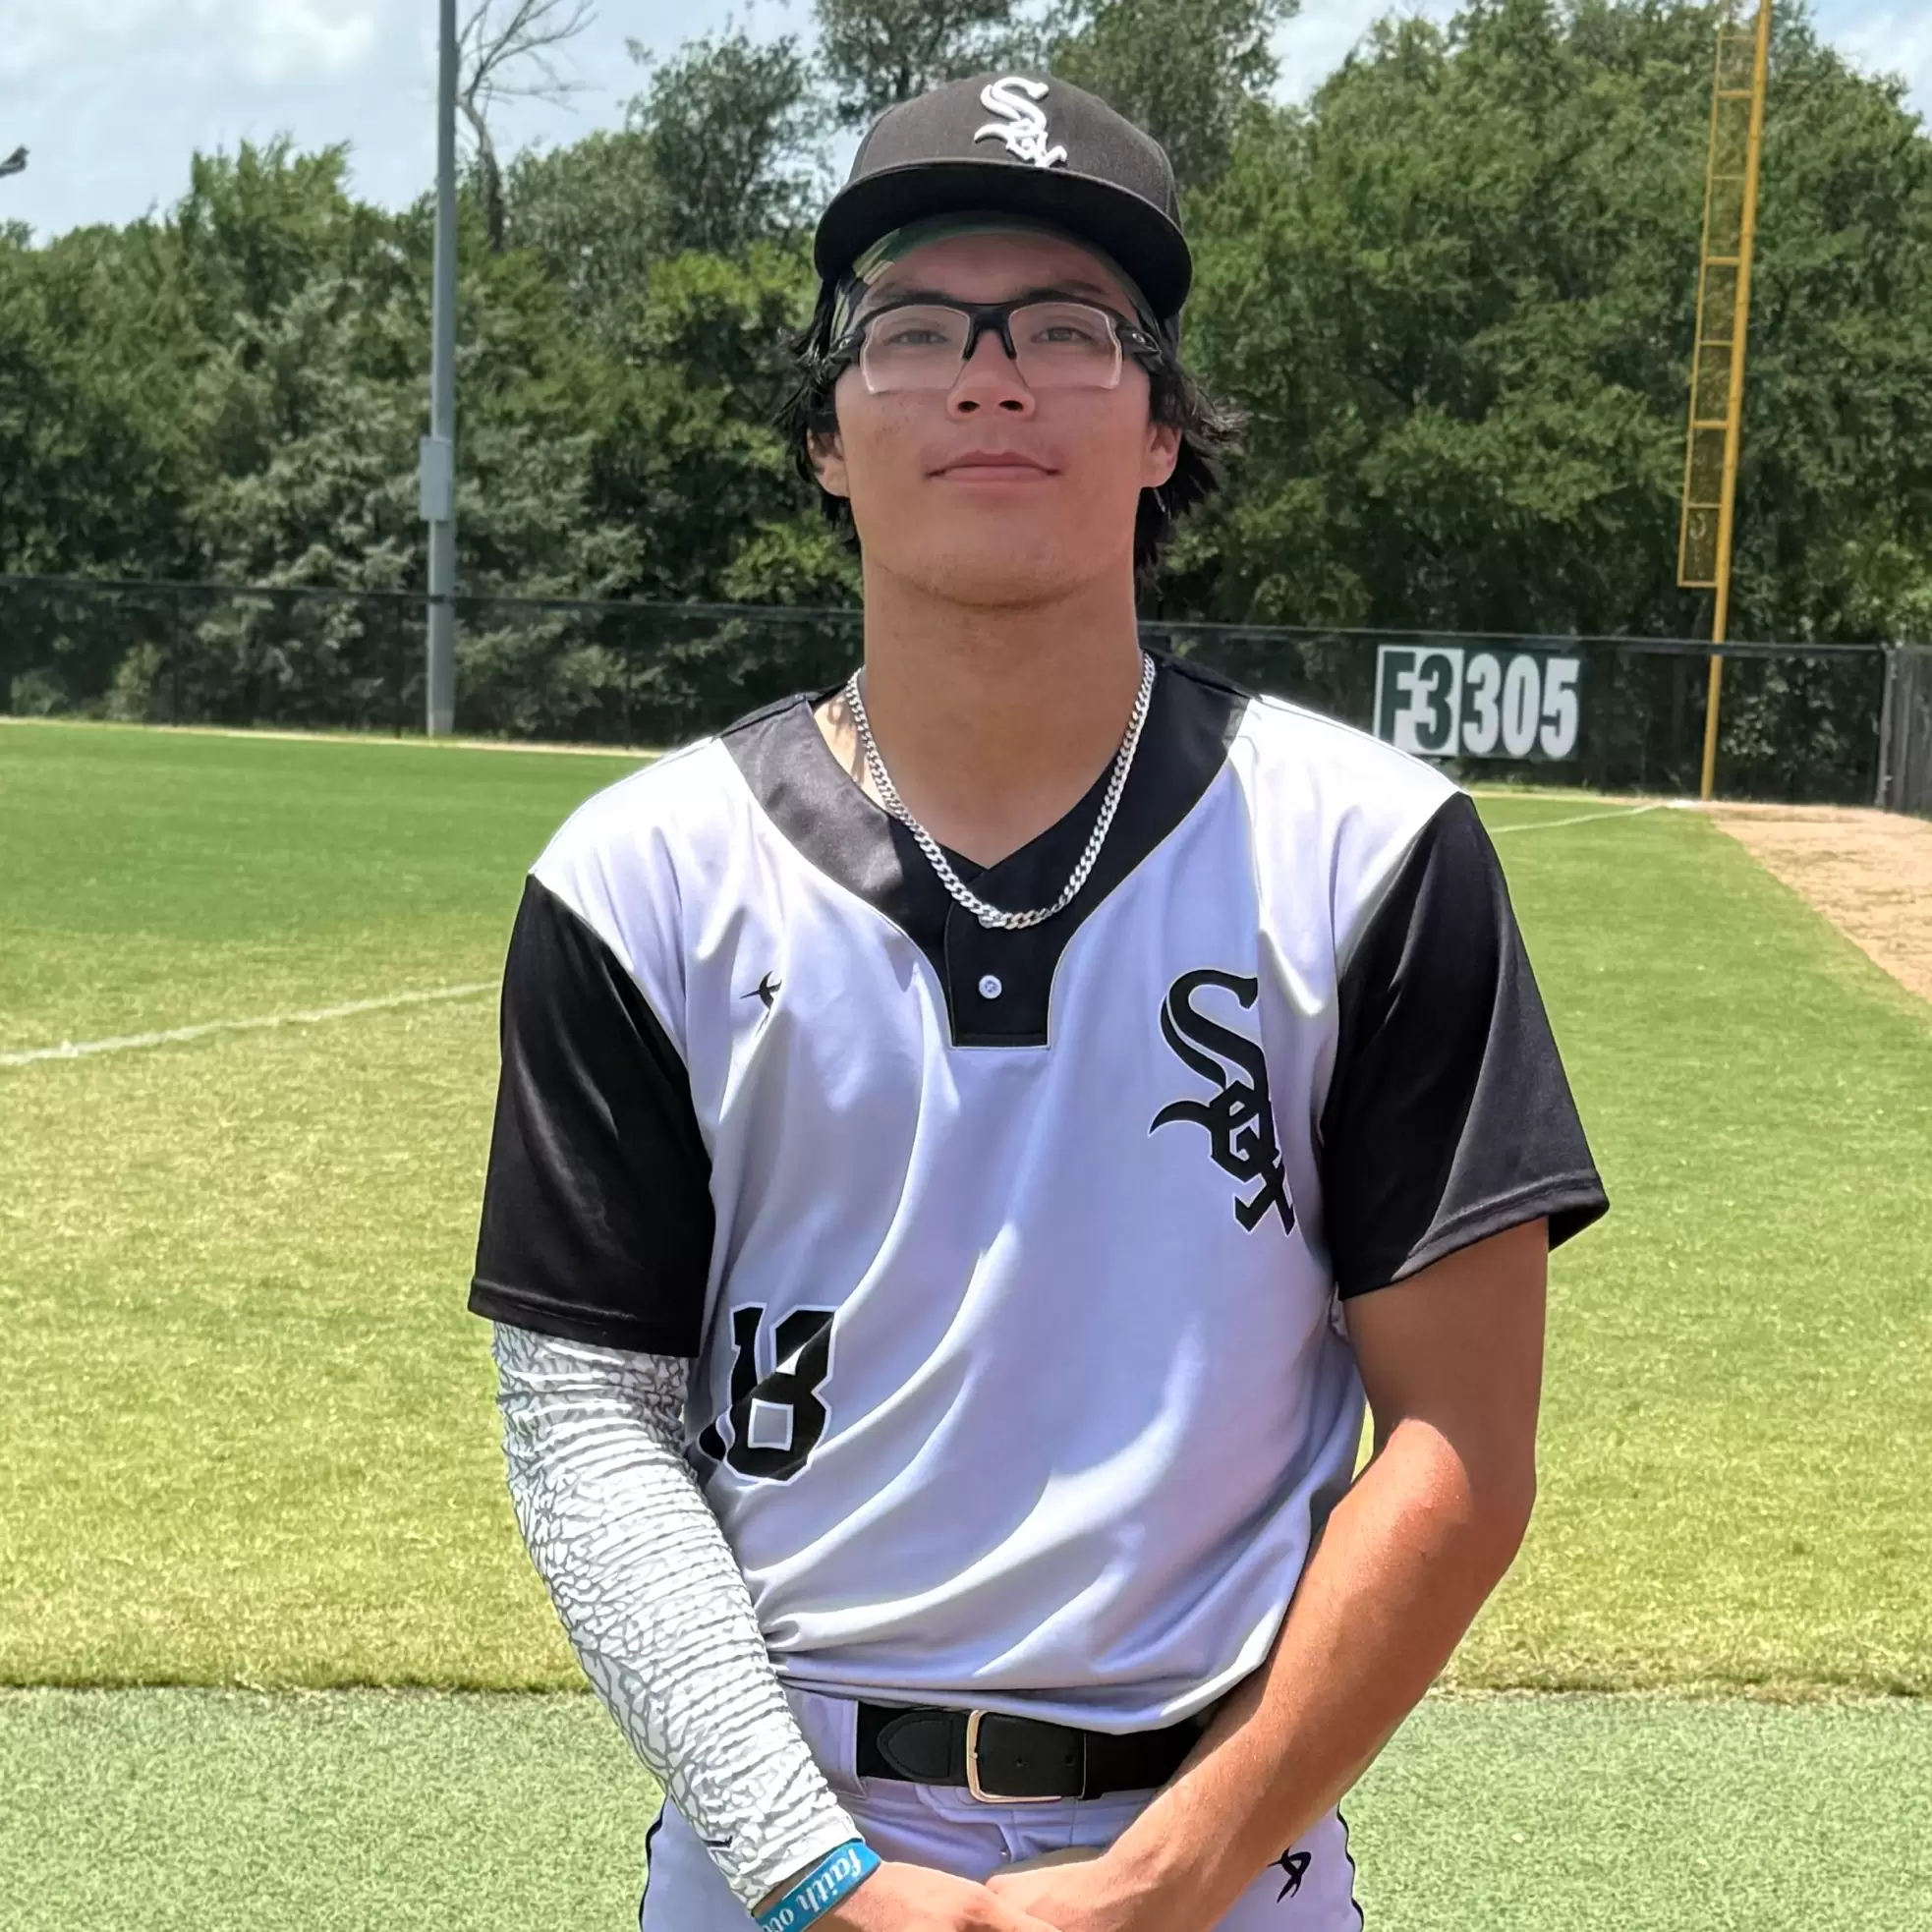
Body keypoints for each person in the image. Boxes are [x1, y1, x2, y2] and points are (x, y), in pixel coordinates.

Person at [467, 70, 1609, 1932]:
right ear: (825, 433)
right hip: (781, 1837)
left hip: (1225, 1844)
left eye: (1070, 331)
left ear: (1161, 429)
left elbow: (1459, 1447)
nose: (990, 380)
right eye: (915, 329)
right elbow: (591, 1424)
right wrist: (814, 1870)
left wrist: (1175, 1868)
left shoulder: (1370, 848)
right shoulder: (639, 872)